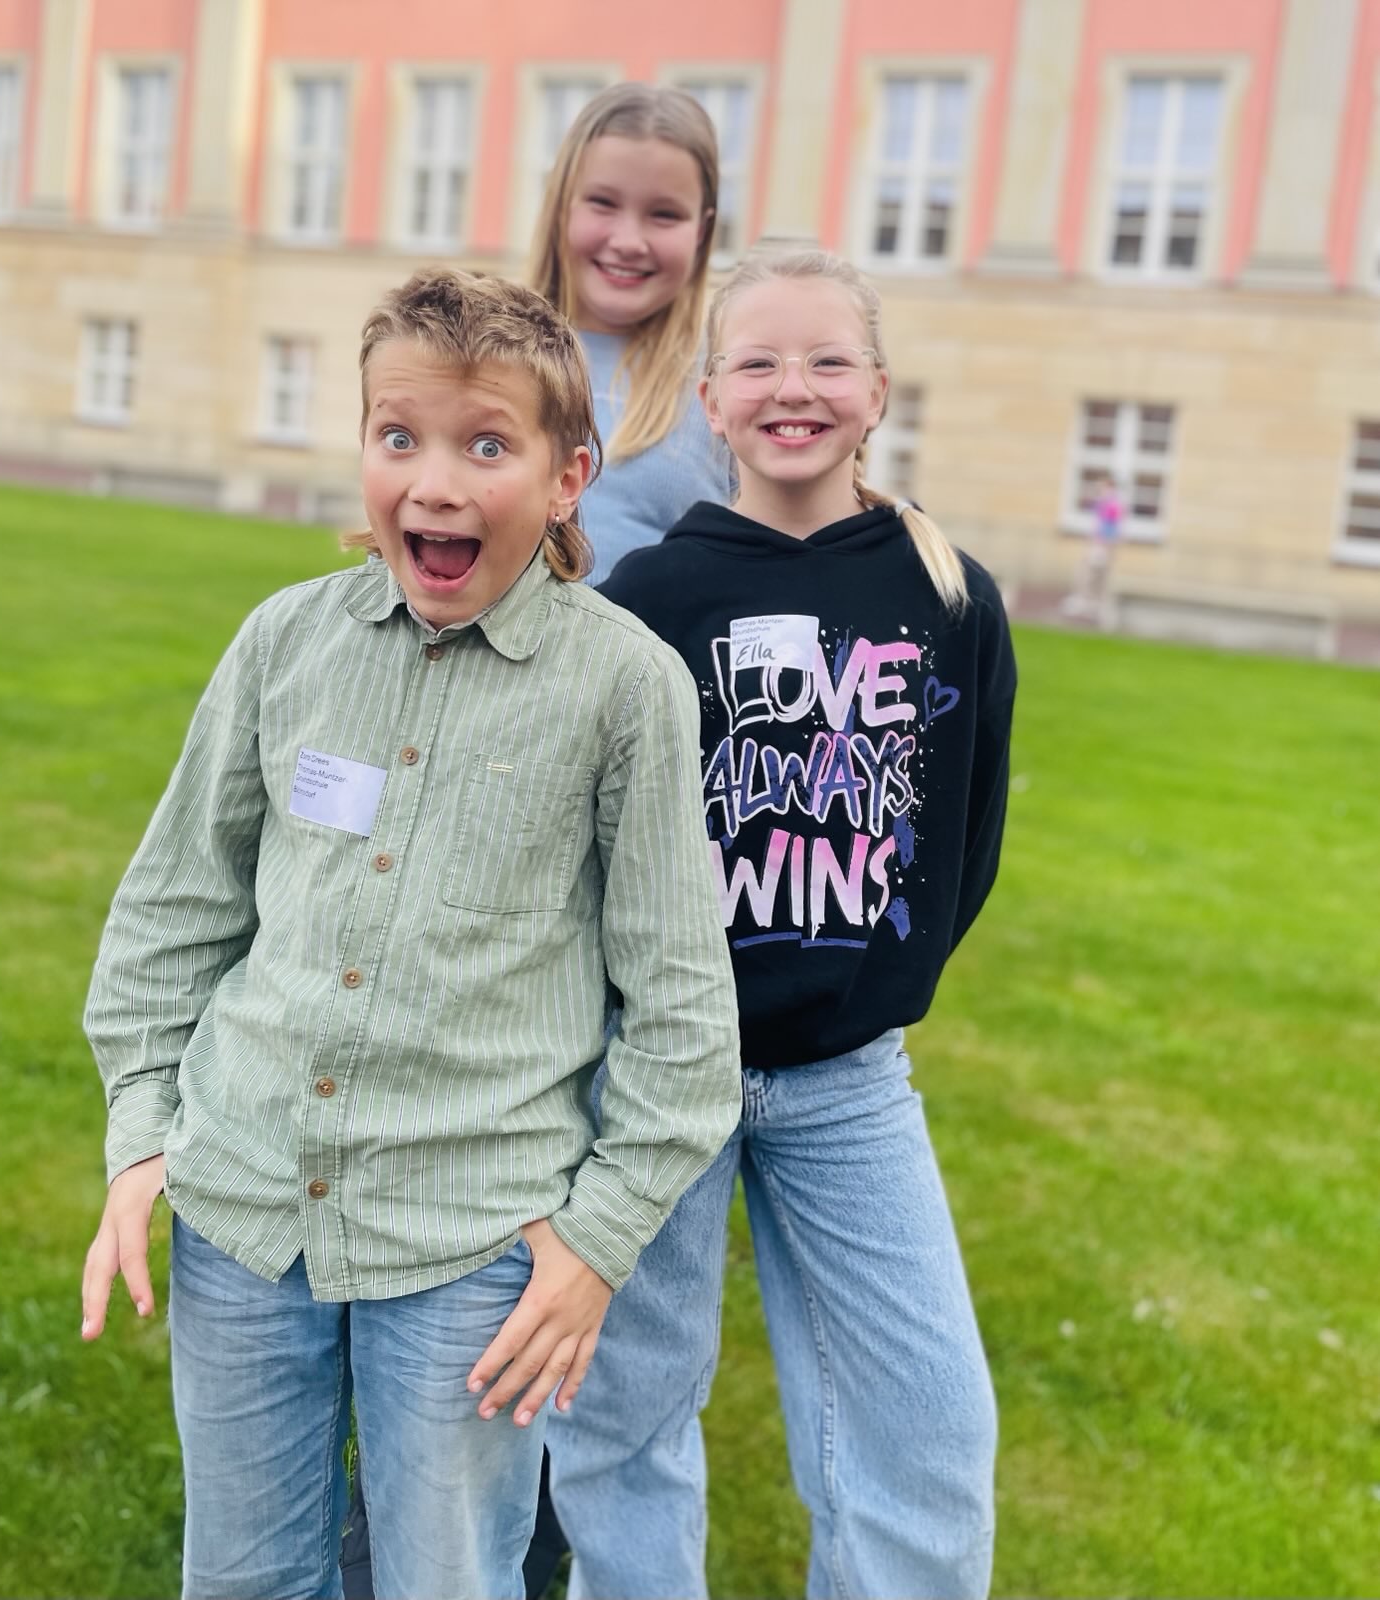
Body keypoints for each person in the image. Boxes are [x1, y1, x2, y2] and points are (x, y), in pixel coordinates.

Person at [79, 267, 741, 1600]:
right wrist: (144, 1134)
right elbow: (169, 913)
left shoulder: (626, 688)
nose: (434, 484)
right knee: (243, 1579)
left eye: (485, 446)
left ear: (567, 478)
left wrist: (595, 1244)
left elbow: (683, 1022)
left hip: (470, 1248)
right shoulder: (284, 642)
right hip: (243, 1209)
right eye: (400, 436)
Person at [547, 249, 1017, 1600]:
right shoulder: (650, 598)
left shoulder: (949, 595)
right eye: (755, 361)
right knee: (623, 1409)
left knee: (929, 1425)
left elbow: (963, 843)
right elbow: (589, 846)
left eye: (825, 360)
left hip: (850, 1084)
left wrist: (864, 976)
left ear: (877, 390)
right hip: (661, 1074)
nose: (791, 387)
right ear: (708, 398)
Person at [528, 81, 734, 583]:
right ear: (561, 204)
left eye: (664, 215)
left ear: (702, 230)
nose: (628, 241)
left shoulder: (730, 386)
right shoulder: (479, 354)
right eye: (603, 203)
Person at [1061, 470, 1123, 624]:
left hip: (1102, 544)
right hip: (1099, 543)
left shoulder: (1112, 504)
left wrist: (1103, 544)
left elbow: (1110, 527)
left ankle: (1090, 605)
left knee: (1093, 574)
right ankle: (1088, 603)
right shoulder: (1105, 503)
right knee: (1090, 573)